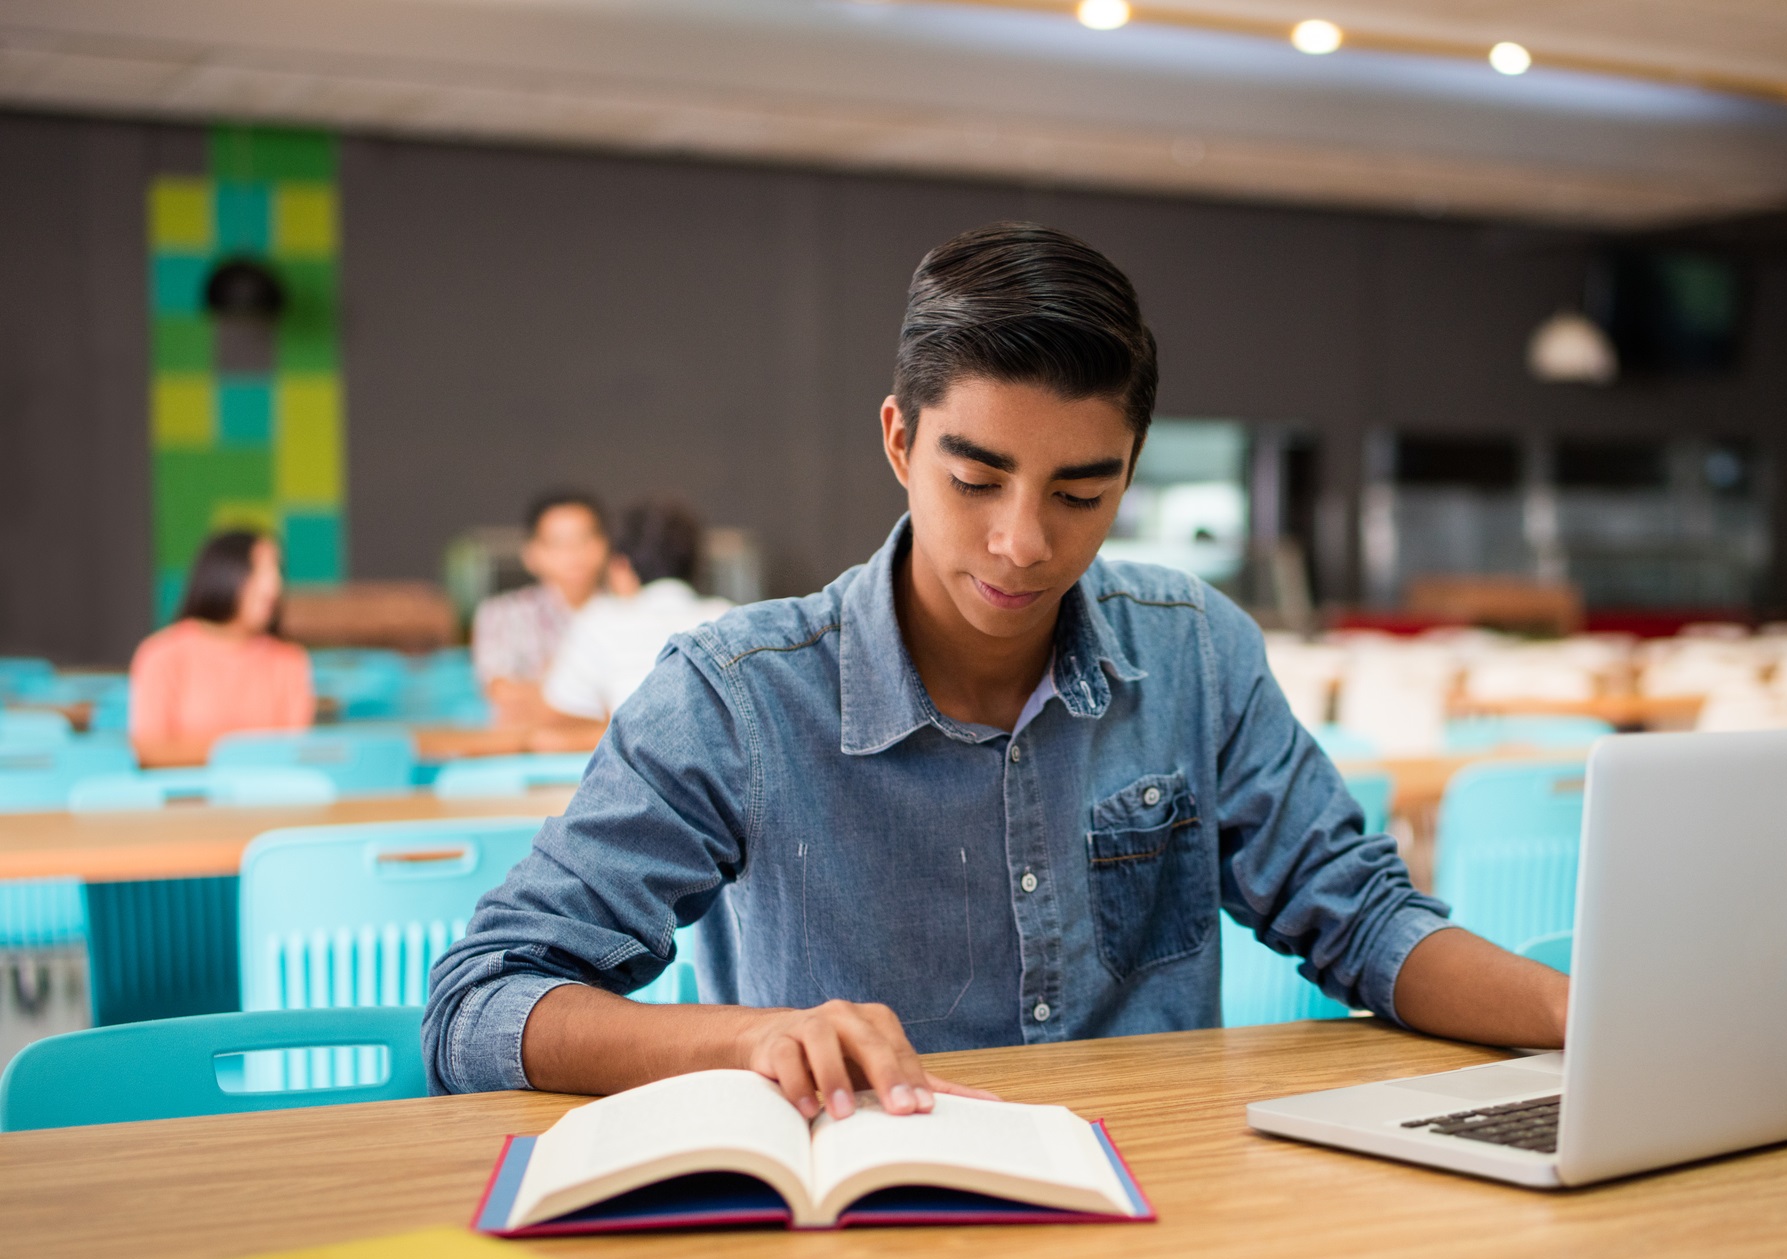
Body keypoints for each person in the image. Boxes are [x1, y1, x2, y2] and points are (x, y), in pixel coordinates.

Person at [424, 222, 1566, 1117]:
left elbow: (1363, 919)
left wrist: (1593, 1016)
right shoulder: (738, 696)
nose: (1025, 541)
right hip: (868, 1227)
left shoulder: (1194, 651)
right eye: (977, 480)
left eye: (1081, 494)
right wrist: (747, 1039)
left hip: (1159, 1210)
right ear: (899, 441)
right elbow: (479, 1003)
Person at [129, 529, 313, 767]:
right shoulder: (161, 655)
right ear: (223, 573)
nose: (273, 586)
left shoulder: (291, 660)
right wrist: (241, 754)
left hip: (270, 800)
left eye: (277, 571)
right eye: (258, 571)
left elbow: (296, 754)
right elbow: (149, 752)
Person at [539, 499, 732, 724]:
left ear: (622, 566)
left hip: (632, 754)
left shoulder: (600, 620)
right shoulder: (729, 617)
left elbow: (562, 710)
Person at [472, 491, 609, 726]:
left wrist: (545, 696)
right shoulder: (502, 614)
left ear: (605, 545)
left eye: (583, 540)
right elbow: (504, 695)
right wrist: (597, 706)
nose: (573, 554)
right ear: (532, 554)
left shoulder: (627, 613)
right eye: (558, 543)